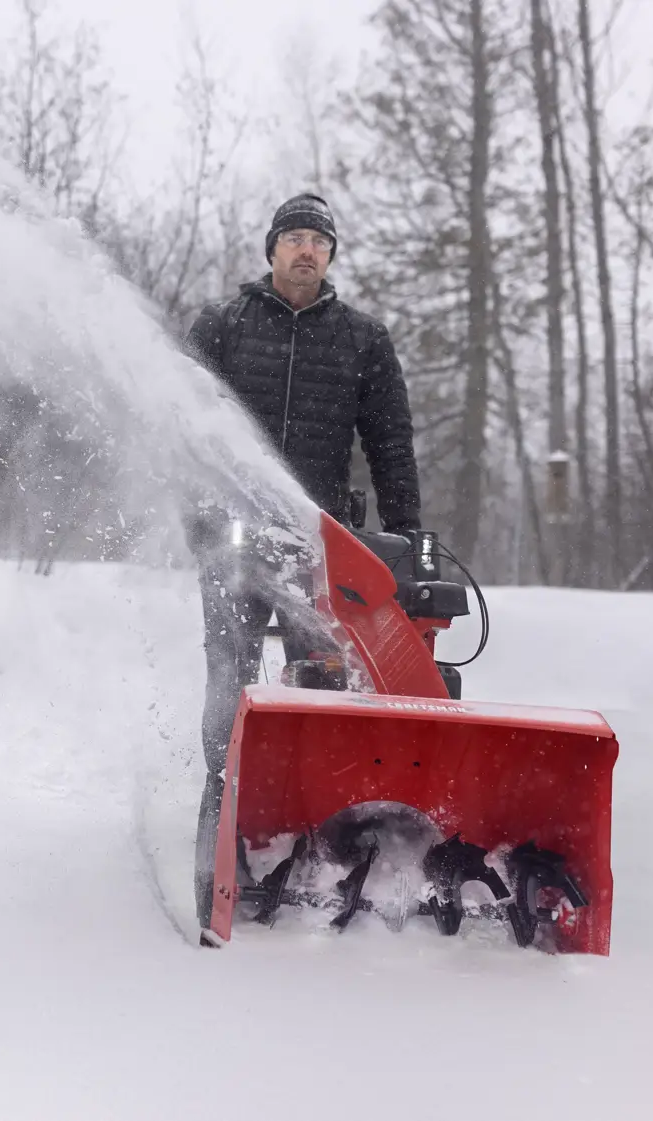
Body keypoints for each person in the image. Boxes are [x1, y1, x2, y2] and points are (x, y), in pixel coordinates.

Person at [181, 192, 423, 935]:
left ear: (332, 257)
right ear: (270, 250)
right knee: (232, 681)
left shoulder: (363, 340)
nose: (306, 249)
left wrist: (407, 535)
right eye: (293, 237)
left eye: (319, 239)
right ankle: (222, 843)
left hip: (321, 553)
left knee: (329, 690)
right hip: (232, 542)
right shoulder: (222, 328)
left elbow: (390, 444)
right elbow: (181, 430)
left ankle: (321, 839)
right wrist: (197, 518)